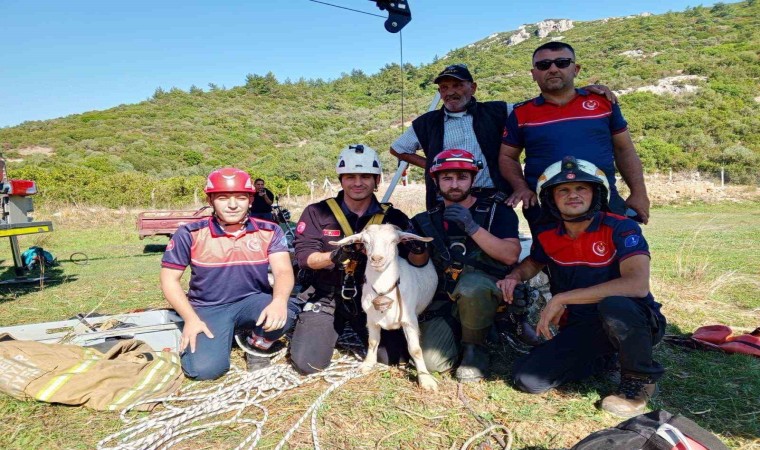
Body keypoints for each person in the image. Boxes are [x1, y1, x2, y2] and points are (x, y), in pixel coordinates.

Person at [497, 156, 666, 418]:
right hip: (582, 325)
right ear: (551, 198)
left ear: (596, 193)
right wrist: (515, 276)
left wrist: (563, 297)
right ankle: (605, 357)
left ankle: (639, 380)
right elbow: (533, 262)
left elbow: (637, 284)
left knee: (615, 305)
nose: (572, 195)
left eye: (581, 188)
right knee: (528, 379)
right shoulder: (549, 235)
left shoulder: (621, 227)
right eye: (563, 190)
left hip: (632, 318)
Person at [390, 63, 616, 210]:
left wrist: (576, 91)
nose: (450, 92)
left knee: (496, 257)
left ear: (473, 87)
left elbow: (534, 107)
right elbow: (398, 148)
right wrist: (432, 165)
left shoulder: (497, 111)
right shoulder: (426, 122)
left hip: (492, 198)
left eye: (458, 85)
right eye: (444, 87)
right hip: (447, 199)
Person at [160, 167, 300, 380]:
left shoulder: (270, 230)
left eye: (241, 197)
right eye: (223, 198)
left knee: (288, 312)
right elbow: (169, 279)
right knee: (205, 371)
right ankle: (226, 334)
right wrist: (190, 319)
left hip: (252, 301)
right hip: (209, 307)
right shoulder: (190, 233)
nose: (233, 205)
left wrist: (279, 301)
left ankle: (257, 344)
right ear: (210, 201)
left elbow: (282, 271)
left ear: (250, 200)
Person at [411, 149, 536, 382]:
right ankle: (474, 329)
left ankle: (474, 349)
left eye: (462, 177)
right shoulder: (426, 219)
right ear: (436, 181)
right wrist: (416, 248)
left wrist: (472, 227)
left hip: (484, 290)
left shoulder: (497, 211)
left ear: (473, 178)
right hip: (446, 298)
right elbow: (418, 266)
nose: (455, 184)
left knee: (471, 287)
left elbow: (510, 256)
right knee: (433, 363)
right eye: (447, 178)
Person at [499, 41, 650, 230]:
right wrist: (520, 187)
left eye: (562, 63)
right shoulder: (521, 113)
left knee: (618, 256)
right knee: (549, 259)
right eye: (544, 65)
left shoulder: (603, 103)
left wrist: (639, 193)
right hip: (546, 209)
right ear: (533, 74)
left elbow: (624, 149)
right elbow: (507, 156)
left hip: (604, 202)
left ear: (576, 69)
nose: (553, 69)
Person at [289, 144, 413, 374]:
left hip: (374, 297)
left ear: (377, 180)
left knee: (393, 357)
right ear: (341, 179)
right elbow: (305, 258)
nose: (358, 182)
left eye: (366, 176)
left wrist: (416, 248)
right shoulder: (317, 212)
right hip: (328, 295)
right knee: (308, 363)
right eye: (350, 176)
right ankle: (323, 330)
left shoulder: (393, 217)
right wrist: (336, 256)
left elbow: (413, 262)